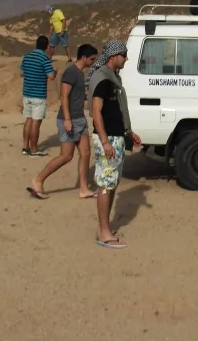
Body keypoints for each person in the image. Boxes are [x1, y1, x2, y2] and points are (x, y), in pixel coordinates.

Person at [86, 40, 142, 249]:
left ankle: (105, 227)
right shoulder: (103, 79)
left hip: (115, 137)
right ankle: (104, 232)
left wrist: (128, 133)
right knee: (106, 184)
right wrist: (105, 141)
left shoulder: (112, 78)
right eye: (124, 55)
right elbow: (96, 112)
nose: (126, 59)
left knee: (111, 183)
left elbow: (115, 110)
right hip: (107, 139)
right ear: (114, 56)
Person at [27, 44, 99, 200]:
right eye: (92, 59)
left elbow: (74, 96)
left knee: (86, 153)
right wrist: (67, 120)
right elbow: (64, 96)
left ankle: (84, 188)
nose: (93, 62)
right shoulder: (71, 72)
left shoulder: (80, 74)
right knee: (66, 156)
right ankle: (38, 180)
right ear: (84, 57)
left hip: (80, 118)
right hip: (69, 119)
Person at [19, 36, 57, 157]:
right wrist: (55, 71)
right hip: (38, 95)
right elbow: (51, 76)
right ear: (46, 47)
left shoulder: (27, 56)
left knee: (28, 120)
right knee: (36, 122)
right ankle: (34, 149)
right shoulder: (44, 59)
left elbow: (21, 73)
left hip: (27, 94)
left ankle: (25, 147)